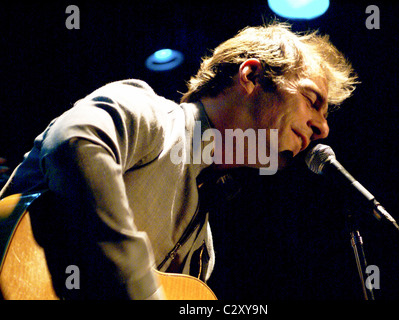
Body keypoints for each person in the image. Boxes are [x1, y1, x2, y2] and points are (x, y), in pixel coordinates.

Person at [0, 22, 357, 299]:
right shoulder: (150, 114)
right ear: (251, 76)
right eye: (312, 100)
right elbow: (74, 145)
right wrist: (141, 289)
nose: (322, 128)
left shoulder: (202, 251)